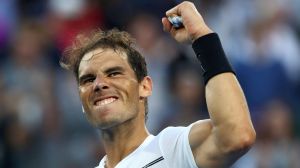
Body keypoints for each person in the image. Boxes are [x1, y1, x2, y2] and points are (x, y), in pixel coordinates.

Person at [60, 1, 256, 168]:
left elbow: (236, 135)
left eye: (114, 73)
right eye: (88, 79)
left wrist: (202, 38)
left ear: (144, 87)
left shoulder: (171, 148)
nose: (99, 84)